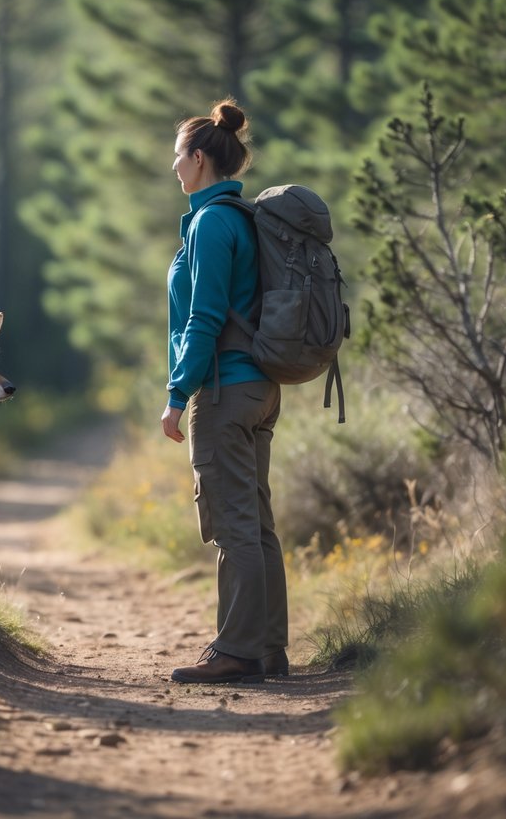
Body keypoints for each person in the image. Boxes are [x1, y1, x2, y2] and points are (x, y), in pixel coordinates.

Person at [162, 99, 289, 684]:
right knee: (255, 522)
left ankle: (237, 650)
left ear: (199, 159)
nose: (173, 168)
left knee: (233, 523)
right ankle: (267, 649)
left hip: (224, 389)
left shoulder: (212, 223)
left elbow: (205, 317)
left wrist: (176, 391)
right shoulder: (236, 218)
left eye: (177, 156)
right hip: (258, 388)